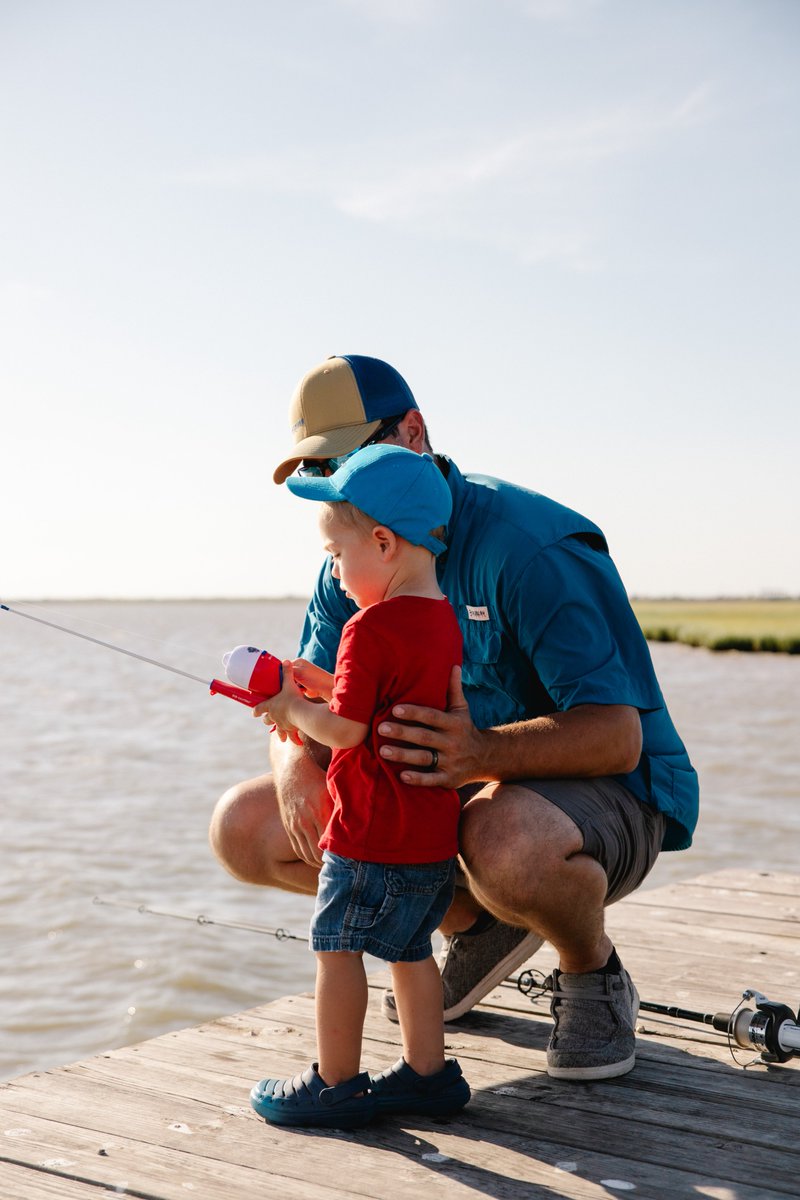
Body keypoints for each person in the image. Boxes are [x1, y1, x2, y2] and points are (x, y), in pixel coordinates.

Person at [210, 353, 699, 1083]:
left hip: (607, 794)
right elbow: (307, 697)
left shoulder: (528, 546)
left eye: (352, 461)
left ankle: (591, 971)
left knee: (501, 834)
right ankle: (475, 926)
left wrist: (478, 754)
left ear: (414, 433)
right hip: (449, 791)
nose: (341, 489)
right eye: (326, 474)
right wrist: (293, 770)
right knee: (243, 827)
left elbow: (617, 734)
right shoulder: (350, 553)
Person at [248, 443, 471, 1128]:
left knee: (336, 947)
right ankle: (428, 1077)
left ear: (382, 542)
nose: (333, 572)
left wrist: (288, 707)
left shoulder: (365, 626)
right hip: (429, 835)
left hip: (368, 832)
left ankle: (336, 1082)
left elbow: (343, 733)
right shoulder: (442, 618)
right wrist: (323, 688)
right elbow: (415, 700)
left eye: (335, 554)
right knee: (411, 948)